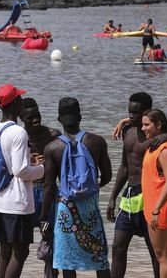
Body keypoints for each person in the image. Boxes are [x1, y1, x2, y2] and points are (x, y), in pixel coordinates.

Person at [107, 92, 167, 278]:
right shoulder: (128, 131)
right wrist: (113, 196)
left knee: (157, 252)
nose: (131, 116)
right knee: (117, 246)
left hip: (150, 197)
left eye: (135, 113)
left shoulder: (158, 137)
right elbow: (124, 166)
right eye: (129, 112)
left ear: (147, 113)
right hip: (129, 196)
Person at [40, 97, 112, 277]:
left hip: (66, 209)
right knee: (99, 257)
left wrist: (43, 218)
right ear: (80, 116)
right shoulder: (97, 142)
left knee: (67, 261)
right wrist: (93, 187)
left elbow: (49, 186)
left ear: (59, 120)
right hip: (90, 208)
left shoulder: (52, 148)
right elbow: (108, 175)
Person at [0, 83, 46, 278]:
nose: (23, 102)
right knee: (20, 252)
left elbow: (6, 162)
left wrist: (28, 162)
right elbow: (20, 171)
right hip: (17, 202)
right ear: (15, 104)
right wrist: (41, 169)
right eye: (20, 99)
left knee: (5, 251)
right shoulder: (18, 132)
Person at [20, 97, 62, 278]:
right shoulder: (19, 137)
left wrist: (51, 162)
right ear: (22, 118)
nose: (35, 120)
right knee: (20, 244)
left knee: (51, 240)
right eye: (30, 118)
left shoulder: (53, 135)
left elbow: (64, 167)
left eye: (37, 115)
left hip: (48, 191)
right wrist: (28, 161)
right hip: (26, 193)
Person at [140, 109, 167, 278]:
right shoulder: (154, 144)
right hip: (153, 206)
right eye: (142, 124)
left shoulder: (166, 148)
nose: (143, 128)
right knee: (161, 256)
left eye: (147, 125)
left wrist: (156, 209)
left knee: (163, 256)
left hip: (161, 208)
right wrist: (124, 121)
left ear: (158, 125)